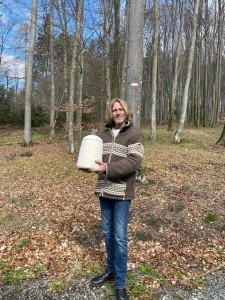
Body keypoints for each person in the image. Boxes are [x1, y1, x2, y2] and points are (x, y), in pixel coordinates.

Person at [88, 98, 144, 300]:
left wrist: (106, 168)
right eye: (114, 109)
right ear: (110, 113)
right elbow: (94, 157)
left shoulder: (134, 133)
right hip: (104, 190)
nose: (118, 112)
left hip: (121, 193)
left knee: (120, 238)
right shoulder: (102, 134)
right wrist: (87, 164)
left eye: (121, 109)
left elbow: (134, 161)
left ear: (126, 112)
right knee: (107, 233)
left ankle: (120, 284)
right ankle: (111, 271)